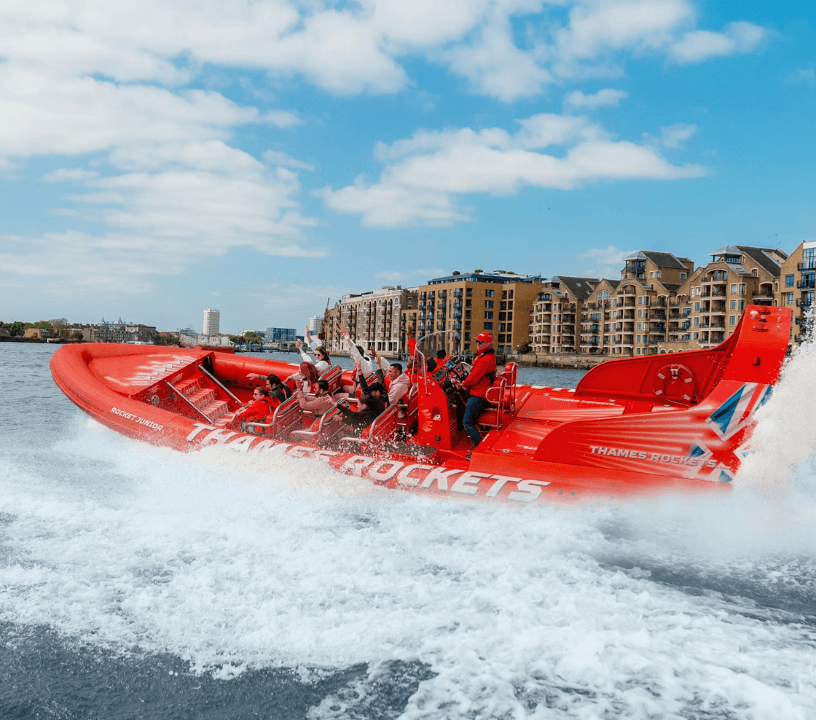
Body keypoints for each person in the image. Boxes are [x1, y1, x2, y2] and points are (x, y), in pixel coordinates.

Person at [459, 331, 497, 449]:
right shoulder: (484, 356)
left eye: (480, 342)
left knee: (467, 422)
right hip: (481, 390)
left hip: (479, 394)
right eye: (477, 341)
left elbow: (474, 377)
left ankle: (479, 446)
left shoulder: (485, 359)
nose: (478, 344)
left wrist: (464, 384)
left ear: (487, 344)